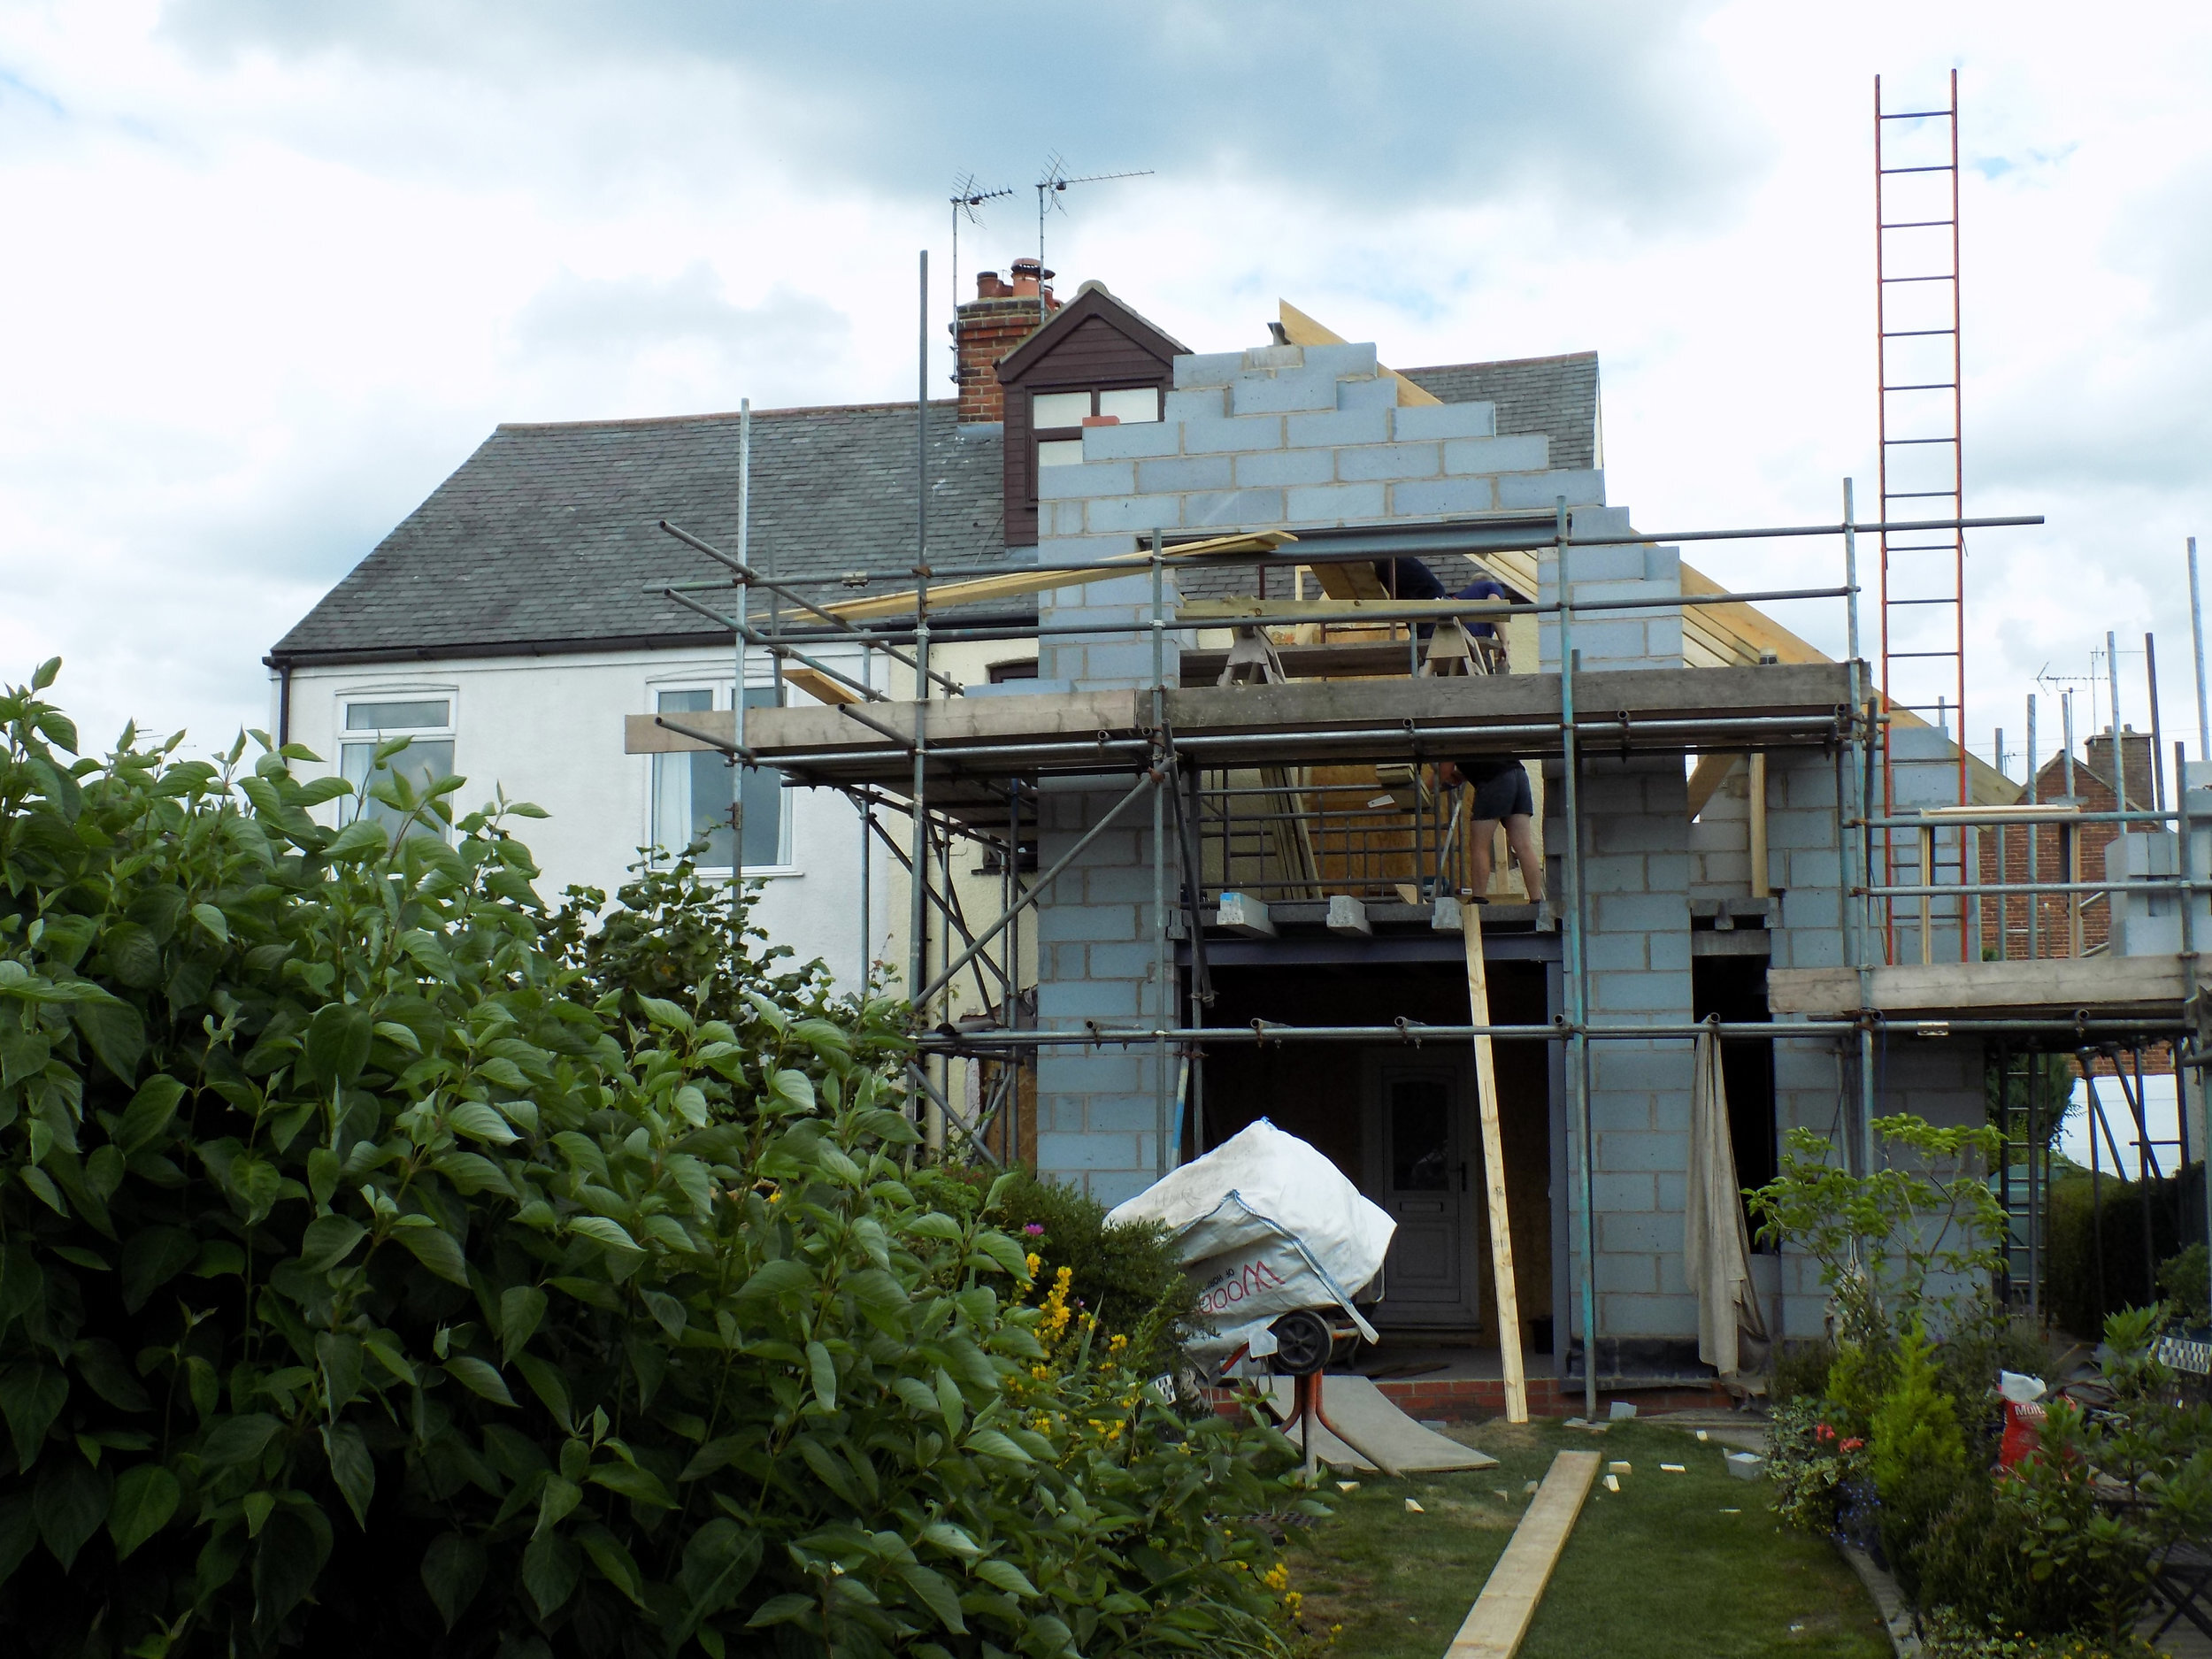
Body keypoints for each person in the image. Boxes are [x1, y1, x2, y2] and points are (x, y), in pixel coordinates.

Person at [1438, 757, 1547, 906]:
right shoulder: (1478, 733)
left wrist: (1422, 789)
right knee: (1524, 845)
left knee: (1479, 845)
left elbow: (1444, 771)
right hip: (1519, 775)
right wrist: (1464, 774)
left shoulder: (1448, 734)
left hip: (1495, 781)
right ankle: (1537, 902)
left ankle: (1478, 899)